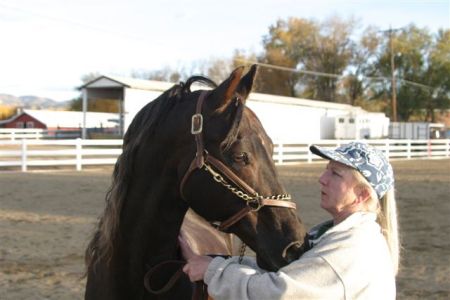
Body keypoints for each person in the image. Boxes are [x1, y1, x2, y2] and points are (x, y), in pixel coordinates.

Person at [179, 141, 400, 300]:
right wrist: (215, 262)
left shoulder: (352, 250)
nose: (322, 179)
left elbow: (279, 292)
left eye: (335, 174)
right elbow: (291, 272)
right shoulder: (338, 236)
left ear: (362, 195)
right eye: (326, 170)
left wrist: (212, 271)